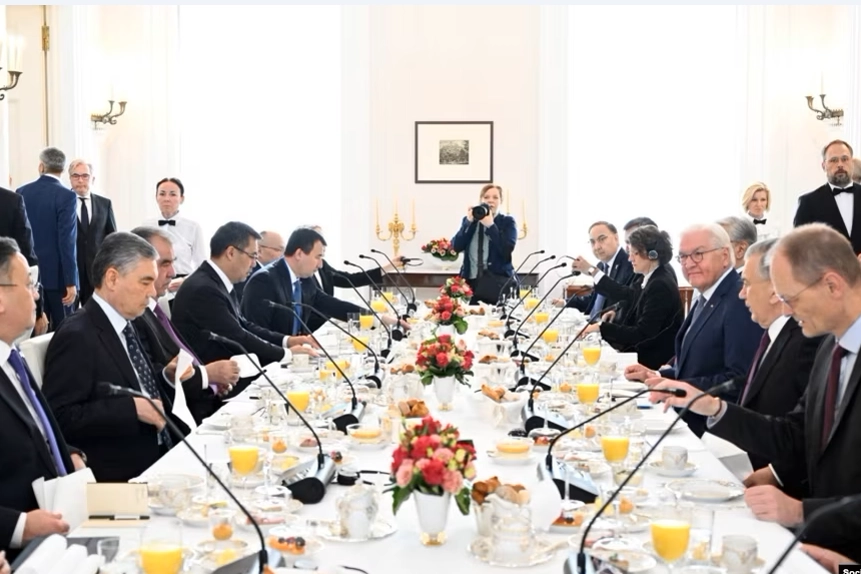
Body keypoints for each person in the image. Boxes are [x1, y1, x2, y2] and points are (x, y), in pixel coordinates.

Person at [649, 224, 861, 562]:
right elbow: (796, 433)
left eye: (790, 298)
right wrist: (715, 408)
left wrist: (801, 511)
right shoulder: (831, 347)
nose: (786, 310)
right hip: (821, 541)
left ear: (832, 285)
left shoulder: (820, 342)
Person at [43, 233, 193, 482]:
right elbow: (59, 418)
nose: (152, 292)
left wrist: (165, 377)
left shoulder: (126, 321)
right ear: (112, 278)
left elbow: (133, 383)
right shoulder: (77, 334)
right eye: (145, 282)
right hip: (124, 474)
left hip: (164, 454)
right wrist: (130, 409)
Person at [625, 223, 763, 437]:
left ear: (724, 256)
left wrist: (677, 386)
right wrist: (658, 374)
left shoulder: (739, 300)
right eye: (683, 257)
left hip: (711, 432)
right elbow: (697, 364)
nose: (689, 263)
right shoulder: (707, 293)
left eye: (698, 254)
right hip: (685, 418)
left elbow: (739, 379)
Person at [0, 238, 83, 555]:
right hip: (20, 553)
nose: (36, 294)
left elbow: (35, 430)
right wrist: (19, 526)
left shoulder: (12, 358)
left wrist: (69, 453)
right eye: (29, 284)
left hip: (62, 528)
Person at [171, 222, 319, 368]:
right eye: (252, 256)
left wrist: (287, 341)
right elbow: (237, 336)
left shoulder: (217, 281)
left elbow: (243, 325)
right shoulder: (204, 289)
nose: (254, 264)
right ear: (231, 253)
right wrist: (287, 354)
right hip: (213, 375)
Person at [131, 227, 240, 423]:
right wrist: (207, 375)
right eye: (164, 264)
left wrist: (211, 382)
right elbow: (154, 381)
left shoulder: (155, 309)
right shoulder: (134, 316)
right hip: (182, 419)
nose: (172, 273)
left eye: (172, 263)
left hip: (205, 403)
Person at [242, 227, 403, 334]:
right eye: (318, 257)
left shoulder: (304, 280)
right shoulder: (264, 281)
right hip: (271, 365)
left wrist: (379, 319)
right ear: (299, 254)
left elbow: (333, 305)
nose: (320, 265)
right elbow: (257, 333)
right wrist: (289, 347)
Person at [582, 225, 682, 369]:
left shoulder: (660, 284)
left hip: (652, 364)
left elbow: (643, 333)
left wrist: (601, 327)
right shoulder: (647, 278)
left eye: (634, 253)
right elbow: (629, 295)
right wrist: (614, 311)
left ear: (652, 254)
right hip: (640, 355)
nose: (630, 258)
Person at [16, 147, 78, 329]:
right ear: (63, 169)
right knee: (64, 331)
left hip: (30, 275)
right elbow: (67, 242)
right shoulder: (67, 196)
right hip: (58, 279)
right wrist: (71, 281)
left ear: (41, 166)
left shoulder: (21, 191)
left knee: (31, 332)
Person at [451, 184, 517, 304]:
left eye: (495, 197)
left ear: (501, 201)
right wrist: (468, 222)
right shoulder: (470, 221)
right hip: (470, 282)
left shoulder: (507, 222)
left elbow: (506, 250)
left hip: (496, 282)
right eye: (486, 197)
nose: (490, 200)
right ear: (481, 200)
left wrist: (491, 226)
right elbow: (456, 247)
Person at [794, 139, 861, 253]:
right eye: (833, 160)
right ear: (823, 166)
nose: (840, 164)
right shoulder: (808, 203)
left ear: (852, 163)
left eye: (844, 159)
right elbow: (799, 246)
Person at [68, 159, 117, 305]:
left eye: (85, 176)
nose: (80, 180)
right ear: (70, 178)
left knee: (95, 313)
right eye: (76, 176)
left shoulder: (104, 204)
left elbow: (112, 239)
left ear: (92, 179)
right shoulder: (62, 203)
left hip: (97, 271)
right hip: (71, 273)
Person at [563, 221, 634, 319]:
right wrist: (563, 302)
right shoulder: (601, 266)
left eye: (602, 239)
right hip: (590, 322)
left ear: (616, 238)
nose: (597, 247)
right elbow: (594, 300)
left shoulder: (630, 263)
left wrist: (591, 270)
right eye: (592, 242)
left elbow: (620, 295)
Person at [0, 186, 46, 336]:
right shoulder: (11, 201)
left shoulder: (12, 200)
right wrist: (38, 310)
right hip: (7, 304)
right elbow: (29, 259)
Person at [143, 177, 207, 281]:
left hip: (183, 282)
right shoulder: (146, 226)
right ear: (156, 197)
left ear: (181, 198)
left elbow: (201, 263)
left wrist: (185, 280)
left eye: (172, 194)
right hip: (154, 281)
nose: (167, 199)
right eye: (162, 194)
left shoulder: (193, 227)